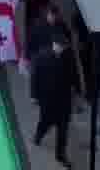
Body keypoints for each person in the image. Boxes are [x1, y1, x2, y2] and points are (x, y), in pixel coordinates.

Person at [32, 34, 76, 166]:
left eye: (64, 47)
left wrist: (75, 91)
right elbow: (35, 77)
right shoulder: (42, 57)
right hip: (48, 100)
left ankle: (60, 155)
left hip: (64, 101)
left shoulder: (68, 57)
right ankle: (38, 135)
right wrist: (34, 95)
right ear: (54, 44)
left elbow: (72, 74)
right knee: (45, 122)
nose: (62, 49)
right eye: (60, 47)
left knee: (63, 130)